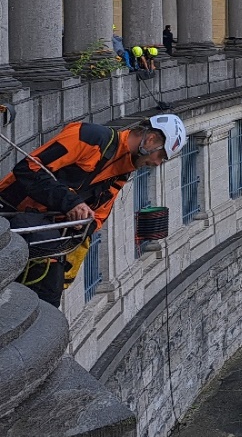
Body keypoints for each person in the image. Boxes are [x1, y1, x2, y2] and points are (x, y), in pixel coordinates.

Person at [0, 113, 186, 307]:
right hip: (9, 210)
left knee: (49, 292)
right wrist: (70, 203)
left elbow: (99, 218)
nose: (157, 163)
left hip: (41, 229)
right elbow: (27, 170)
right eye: (161, 155)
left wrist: (82, 224)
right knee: (45, 288)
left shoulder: (121, 172)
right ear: (151, 139)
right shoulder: (89, 137)